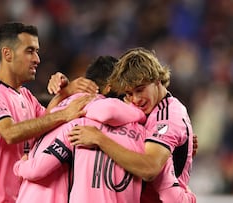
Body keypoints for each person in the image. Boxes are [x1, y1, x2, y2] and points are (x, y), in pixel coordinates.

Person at [0, 22, 98, 203]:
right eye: (30, 51)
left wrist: (66, 91)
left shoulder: (27, 97)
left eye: (36, 51)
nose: (37, 59)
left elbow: (46, 126)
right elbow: (10, 133)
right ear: (7, 54)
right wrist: (64, 113)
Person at [13, 55, 149, 203]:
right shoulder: (84, 111)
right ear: (110, 87)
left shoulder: (60, 107)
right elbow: (108, 111)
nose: (126, 96)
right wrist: (140, 113)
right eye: (124, 90)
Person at [68, 47, 196, 202]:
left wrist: (99, 139)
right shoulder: (146, 109)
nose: (135, 99)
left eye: (140, 90)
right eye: (129, 93)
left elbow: (150, 169)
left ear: (157, 80)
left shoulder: (167, 116)